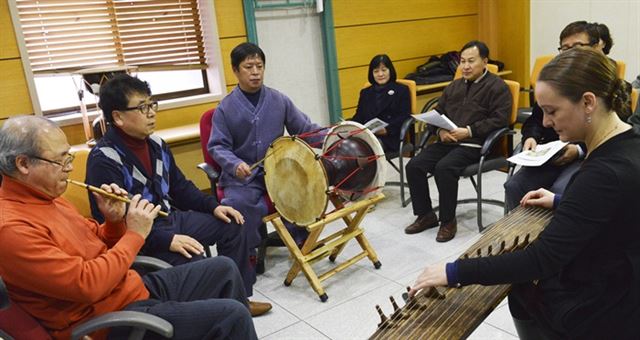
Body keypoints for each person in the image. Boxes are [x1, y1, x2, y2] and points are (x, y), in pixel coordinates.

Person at [410, 48, 640, 340]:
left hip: (608, 305)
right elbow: (619, 208)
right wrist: (561, 201)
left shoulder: (602, 173)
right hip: (625, 277)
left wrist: (455, 272)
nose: (544, 122)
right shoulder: (630, 140)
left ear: (588, 102)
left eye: (552, 110)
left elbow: (541, 259)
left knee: (522, 289)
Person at [0, 116, 257, 339]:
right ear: (23, 164)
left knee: (223, 268)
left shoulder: (49, 198)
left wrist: (113, 221)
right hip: (106, 322)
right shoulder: (12, 229)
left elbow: (98, 242)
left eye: (69, 157)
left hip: (128, 290)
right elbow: (87, 284)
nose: (68, 168)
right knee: (231, 316)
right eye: (60, 161)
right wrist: (135, 234)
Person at [85, 74, 271, 316]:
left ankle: (240, 299)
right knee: (197, 259)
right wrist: (167, 240)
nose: (151, 112)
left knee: (234, 223)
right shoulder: (104, 159)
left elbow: (180, 188)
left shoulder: (156, 144)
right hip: (143, 235)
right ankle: (215, 312)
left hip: (170, 218)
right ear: (117, 117)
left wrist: (213, 206)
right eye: (142, 107)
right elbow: (112, 221)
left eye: (152, 104)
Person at [208, 42, 324, 254]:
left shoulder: (279, 99)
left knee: (301, 187)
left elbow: (305, 129)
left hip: (277, 171)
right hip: (242, 177)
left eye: (259, 66)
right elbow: (217, 146)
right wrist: (235, 164)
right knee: (238, 204)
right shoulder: (224, 109)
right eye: (248, 67)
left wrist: (333, 137)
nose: (255, 72)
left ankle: (302, 241)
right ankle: (247, 251)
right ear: (235, 70)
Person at [404, 40, 511, 242]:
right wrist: (439, 130)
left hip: (475, 144)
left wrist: (469, 131)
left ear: (485, 61)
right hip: (448, 141)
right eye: (462, 61)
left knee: (444, 168)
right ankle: (426, 215)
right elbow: (438, 112)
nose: (466, 66)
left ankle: (447, 221)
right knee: (414, 165)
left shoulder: (497, 87)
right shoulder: (454, 86)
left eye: (471, 61)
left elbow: (500, 120)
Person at [351, 54, 412, 152]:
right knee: (346, 146)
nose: (380, 74)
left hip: (389, 137)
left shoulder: (401, 90)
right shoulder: (365, 92)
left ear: (390, 71)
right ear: (372, 74)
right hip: (367, 135)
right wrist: (348, 125)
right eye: (376, 71)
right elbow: (359, 116)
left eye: (384, 70)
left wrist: (386, 130)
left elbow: (404, 116)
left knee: (362, 150)